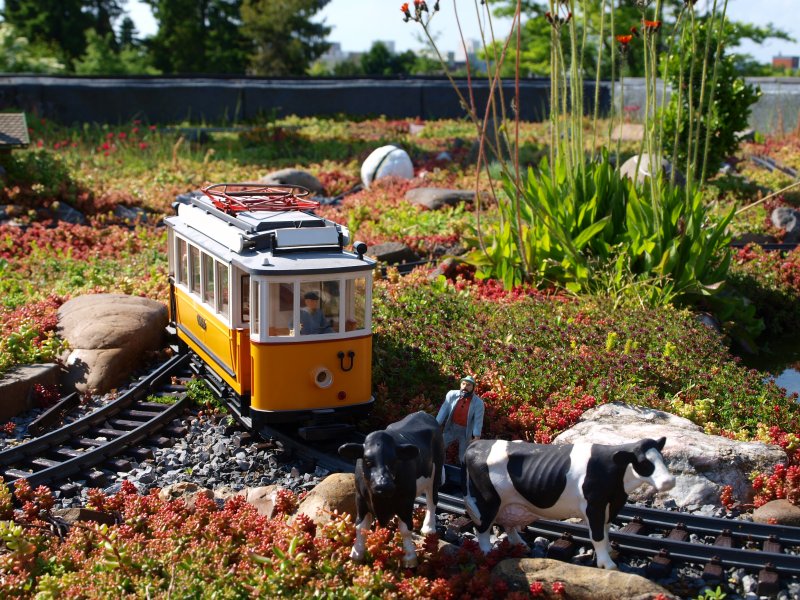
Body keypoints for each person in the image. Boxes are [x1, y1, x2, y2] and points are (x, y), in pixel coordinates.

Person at [436, 375, 484, 464]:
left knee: (464, 456)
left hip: (465, 432)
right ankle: (439, 467)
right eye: (463, 384)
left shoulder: (478, 403)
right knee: (439, 447)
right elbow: (444, 409)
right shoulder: (452, 394)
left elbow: (478, 419)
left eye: (469, 385)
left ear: (473, 387)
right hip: (451, 428)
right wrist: (436, 424)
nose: (465, 386)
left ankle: (464, 475)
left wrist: (477, 435)